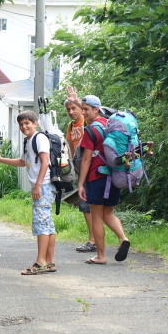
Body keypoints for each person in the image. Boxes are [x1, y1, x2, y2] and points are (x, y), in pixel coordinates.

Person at [0, 111, 56, 275]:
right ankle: (49, 262)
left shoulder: (40, 138)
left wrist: (38, 186)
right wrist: (0, 159)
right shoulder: (29, 141)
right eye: (21, 124)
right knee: (47, 224)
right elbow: (22, 162)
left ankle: (40, 263)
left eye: (27, 123)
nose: (24, 126)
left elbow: (45, 162)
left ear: (35, 123)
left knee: (41, 224)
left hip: (44, 185)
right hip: (42, 185)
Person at [77, 95, 130, 264]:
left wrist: (80, 184)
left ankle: (101, 256)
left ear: (96, 109)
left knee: (97, 216)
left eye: (86, 109)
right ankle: (123, 238)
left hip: (96, 177)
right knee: (108, 213)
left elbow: (86, 159)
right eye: (82, 109)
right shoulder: (111, 125)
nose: (83, 112)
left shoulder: (91, 130)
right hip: (114, 176)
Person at [64, 86, 96, 253]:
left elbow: (90, 113)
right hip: (80, 168)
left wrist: (76, 99)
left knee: (89, 204)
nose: (71, 112)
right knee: (86, 205)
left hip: (91, 168)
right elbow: (71, 148)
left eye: (74, 108)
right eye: (68, 109)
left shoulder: (86, 121)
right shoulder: (71, 126)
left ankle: (94, 240)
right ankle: (96, 239)